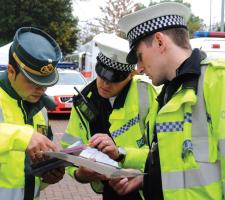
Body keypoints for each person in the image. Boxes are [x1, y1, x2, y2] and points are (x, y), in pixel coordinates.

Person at [110, 1, 225, 199]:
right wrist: (147, 179)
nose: (138, 68)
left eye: (140, 56)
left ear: (160, 42)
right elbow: (176, 165)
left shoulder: (218, 83)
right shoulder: (166, 96)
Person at [61, 33, 158, 200]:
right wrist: (81, 174)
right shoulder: (84, 101)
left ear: (131, 75)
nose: (105, 84)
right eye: (102, 75)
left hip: (146, 190)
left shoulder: (148, 94)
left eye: (114, 79)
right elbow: (70, 153)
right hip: (110, 192)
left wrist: (120, 154)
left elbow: (162, 154)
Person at [0, 27, 65, 200]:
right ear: (11, 71)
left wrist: (48, 176)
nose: (42, 89)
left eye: (46, 82)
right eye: (32, 81)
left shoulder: (41, 110)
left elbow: (25, 176)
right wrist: (21, 136)